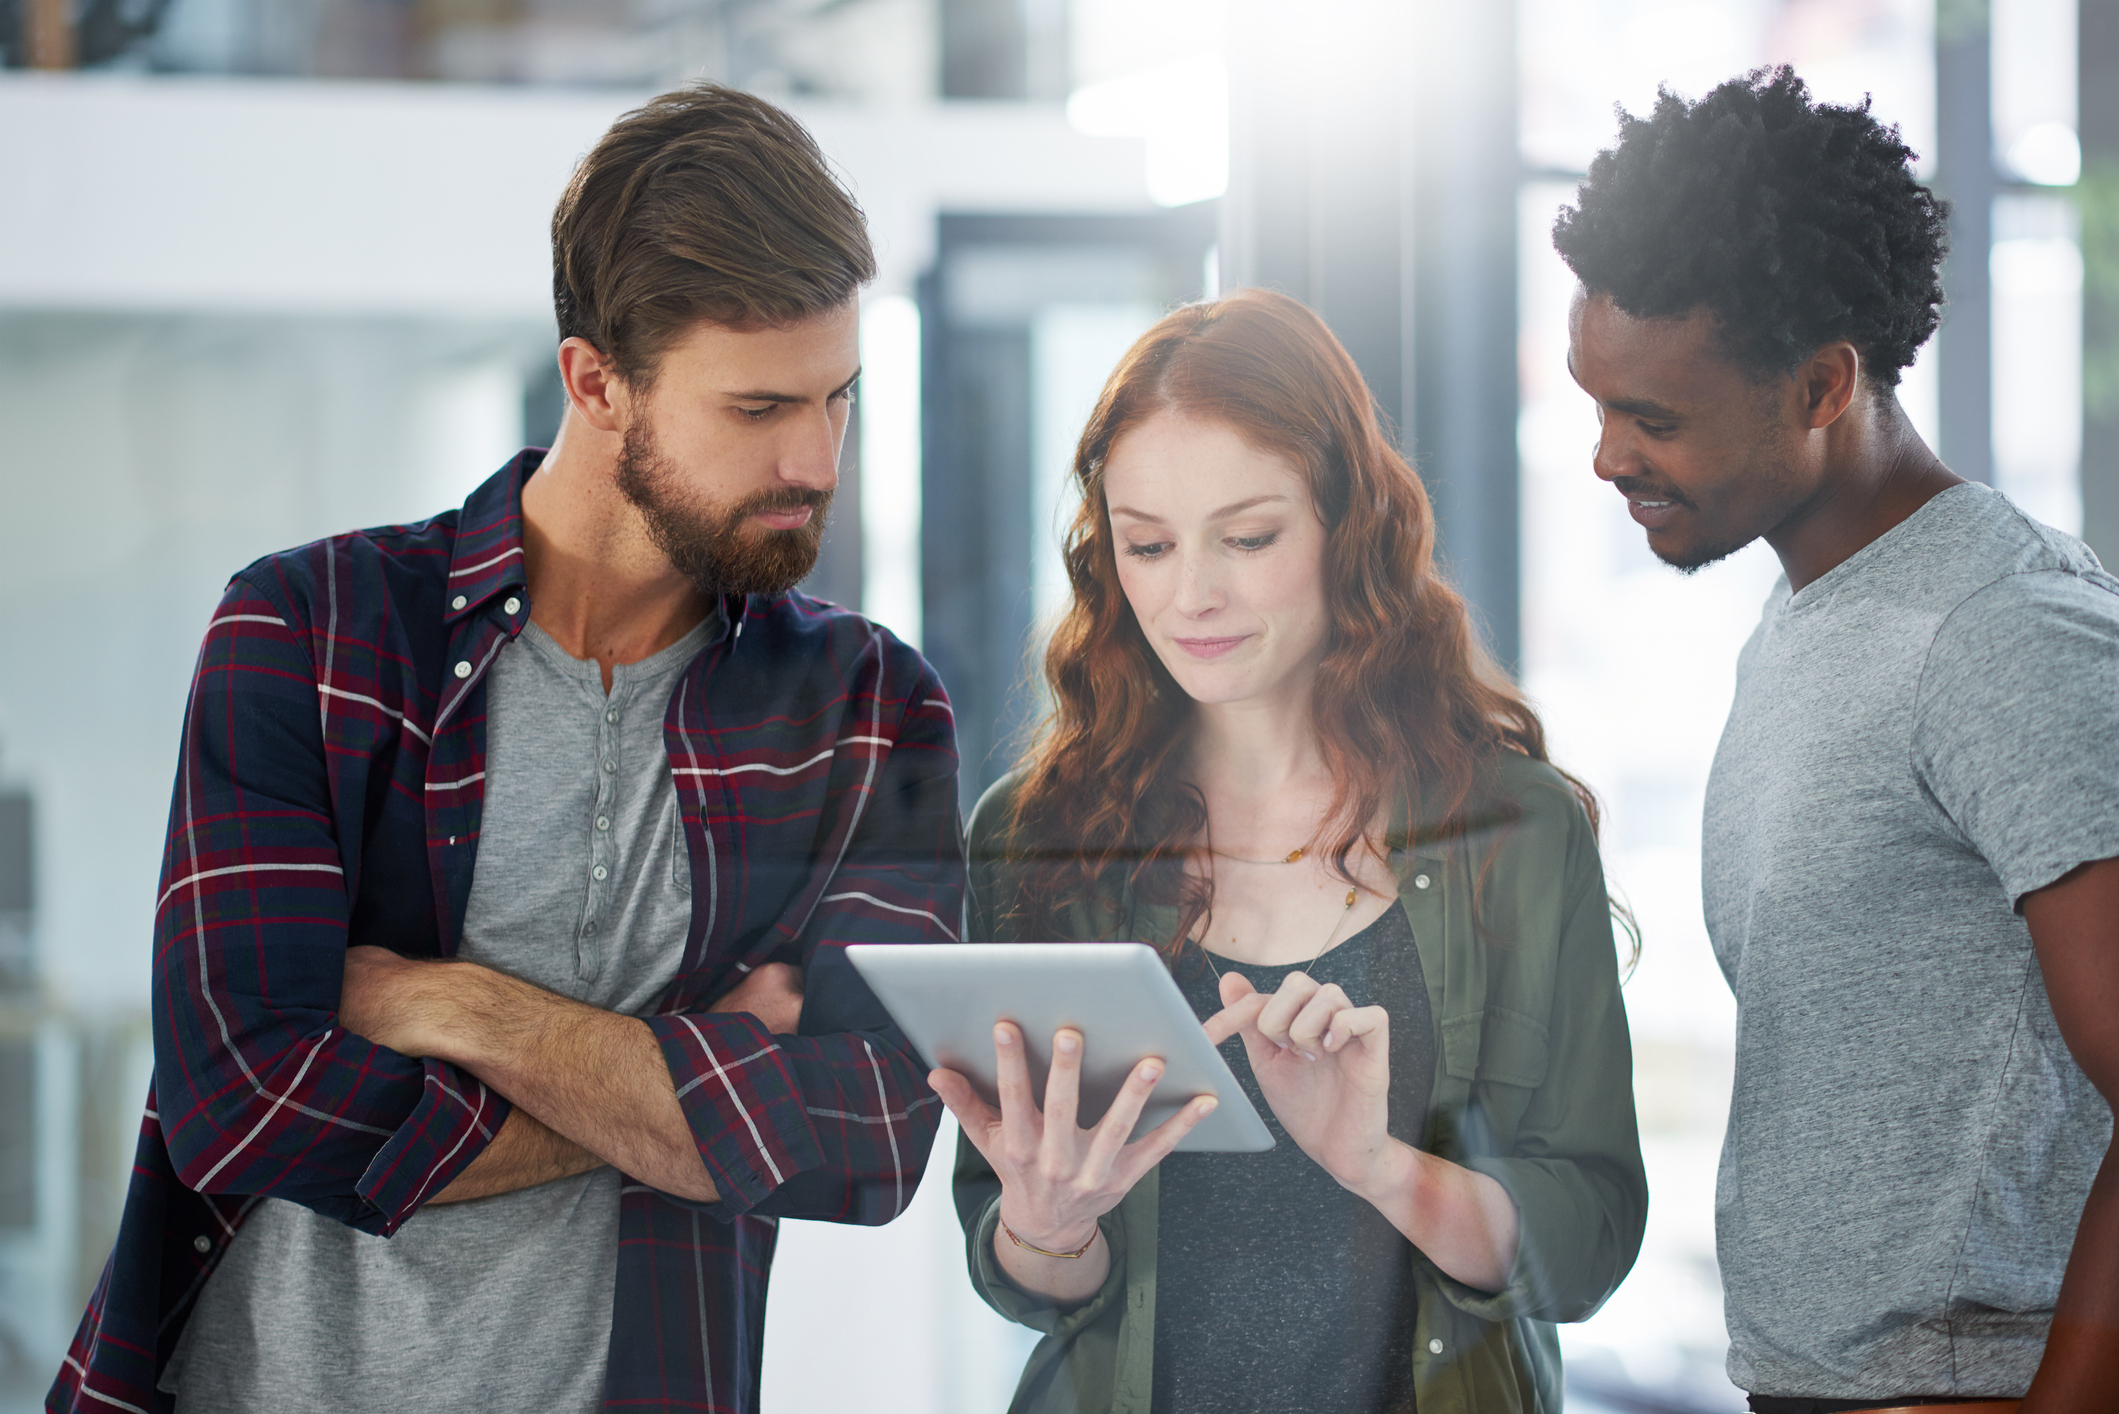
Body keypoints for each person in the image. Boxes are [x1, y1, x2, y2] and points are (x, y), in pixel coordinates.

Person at [49, 84, 963, 1414]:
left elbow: (867, 1137)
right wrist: (688, 1083)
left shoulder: (864, 707)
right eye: (757, 407)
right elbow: (243, 1097)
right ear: (596, 381)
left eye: (839, 396)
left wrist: (458, 1004)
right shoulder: (307, 633)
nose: (815, 458)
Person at [932, 289, 1647, 1414]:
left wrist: (1379, 1167)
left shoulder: (1511, 830)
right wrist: (1047, 1224)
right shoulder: (1033, 840)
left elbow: (1592, 1235)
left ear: (1345, 523)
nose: (1191, 594)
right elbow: (1025, 1274)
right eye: (1147, 546)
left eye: (1248, 537)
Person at [1555, 66, 2119, 1413]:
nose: (1603, 455)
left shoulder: (1995, 631)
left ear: (1819, 385)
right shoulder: (1807, 612)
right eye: (1595, 403)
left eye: (1653, 417)